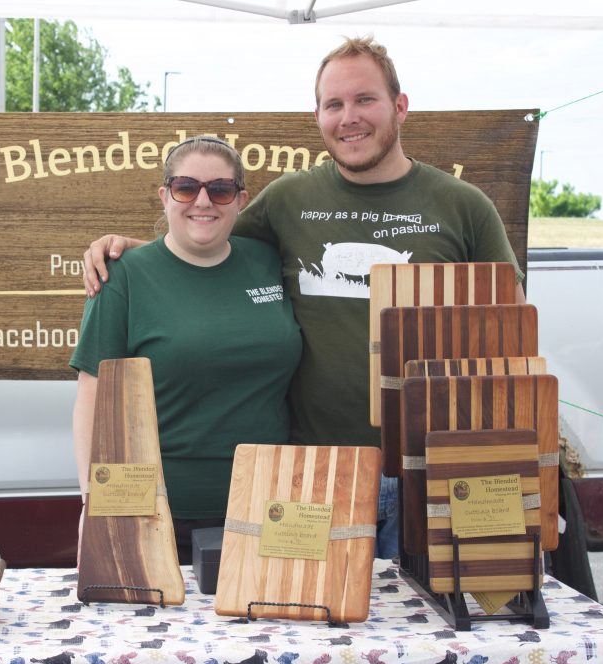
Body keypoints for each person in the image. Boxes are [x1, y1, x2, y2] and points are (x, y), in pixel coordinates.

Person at [81, 37, 525, 561]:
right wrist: (137, 255)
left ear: (400, 108)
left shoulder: (464, 206)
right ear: (317, 116)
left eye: (365, 100)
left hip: (429, 475)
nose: (349, 117)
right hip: (312, 478)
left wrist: (499, 465)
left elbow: (511, 341)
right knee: (325, 630)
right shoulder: (289, 200)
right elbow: (205, 238)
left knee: (435, 633)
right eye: (333, 104)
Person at [70, 136, 302, 564]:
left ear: (240, 200)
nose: (203, 201)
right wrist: (93, 502)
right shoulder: (121, 276)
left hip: (271, 508)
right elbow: (92, 396)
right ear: (164, 197)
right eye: (185, 188)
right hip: (157, 515)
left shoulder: (269, 261)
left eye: (220, 189)